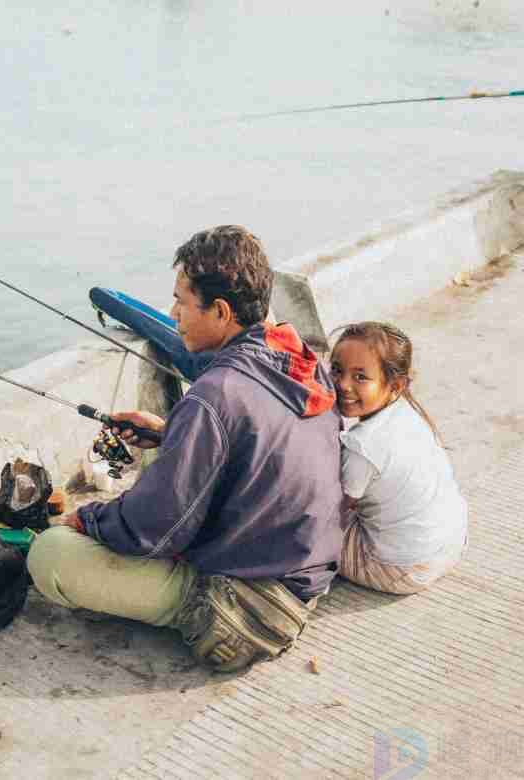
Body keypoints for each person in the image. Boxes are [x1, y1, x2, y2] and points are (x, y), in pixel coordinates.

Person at [28, 225, 344, 672]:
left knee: (51, 555)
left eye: (181, 301)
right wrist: (172, 432)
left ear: (220, 311)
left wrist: (85, 518)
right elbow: (260, 448)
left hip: (250, 610)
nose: (173, 313)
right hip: (305, 571)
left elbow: (152, 528)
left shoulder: (213, 395)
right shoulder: (300, 360)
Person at [330, 322, 468, 595]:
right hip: (450, 544)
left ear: (395, 384)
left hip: (402, 569)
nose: (343, 384)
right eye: (336, 370)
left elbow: (333, 512)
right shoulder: (407, 412)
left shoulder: (362, 446)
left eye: (360, 377)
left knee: (295, 519)